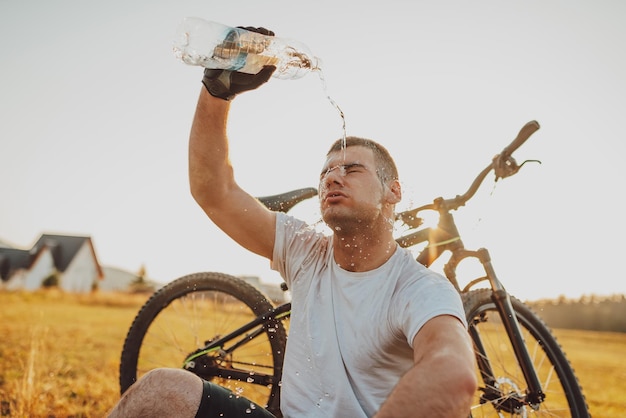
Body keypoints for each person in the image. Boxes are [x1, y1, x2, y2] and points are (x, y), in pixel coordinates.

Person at [108, 27, 477, 418]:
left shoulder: (419, 289)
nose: (333, 178)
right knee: (161, 389)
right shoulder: (306, 250)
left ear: (393, 191)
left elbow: (452, 375)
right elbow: (212, 190)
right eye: (326, 172)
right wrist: (217, 92)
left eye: (352, 169)